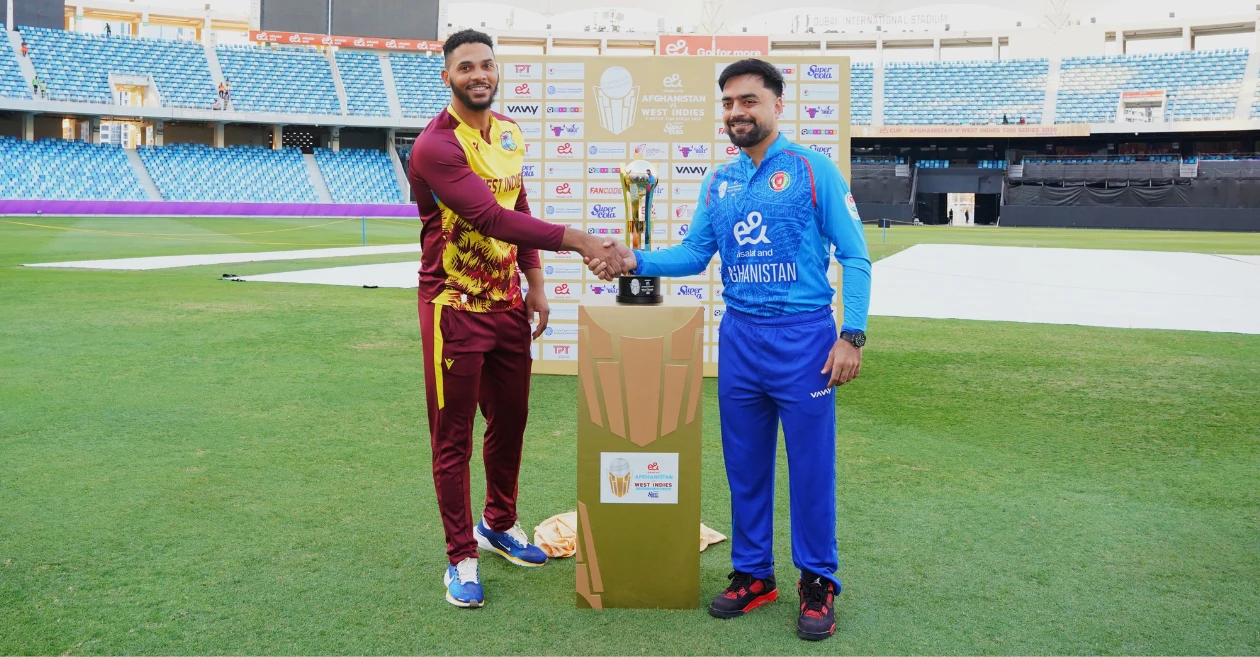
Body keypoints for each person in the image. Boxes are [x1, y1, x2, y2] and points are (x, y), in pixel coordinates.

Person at [587, 58, 871, 642]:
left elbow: (856, 256)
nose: (737, 112)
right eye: (728, 103)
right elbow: (694, 255)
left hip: (805, 340)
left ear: (776, 105)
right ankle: (753, 573)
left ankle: (818, 580)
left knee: (811, 468)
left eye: (748, 100)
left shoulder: (813, 169)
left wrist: (852, 335)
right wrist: (635, 259)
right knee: (744, 465)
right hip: (739, 337)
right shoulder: (720, 181)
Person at [407, 28, 625, 609]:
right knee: (453, 438)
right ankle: (460, 557)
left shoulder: (508, 131)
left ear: (497, 71)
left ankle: (498, 524)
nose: (479, 75)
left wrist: (535, 282)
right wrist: (579, 240)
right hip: (453, 307)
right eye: (465, 67)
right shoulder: (434, 146)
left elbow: (517, 204)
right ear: (447, 77)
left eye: (486, 65)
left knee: (511, 421)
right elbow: (488, 218)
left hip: (506, 304)